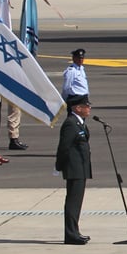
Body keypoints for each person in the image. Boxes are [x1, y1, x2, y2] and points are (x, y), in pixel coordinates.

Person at [56, 93, 92, 245]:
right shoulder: (71, 123)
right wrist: (59, 166)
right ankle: (71, 234)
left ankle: (74, 231)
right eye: (86, 106)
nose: (89, 108)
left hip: (80, 168)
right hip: (74, 168)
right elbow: (64, 147)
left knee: (76, 202)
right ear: (77, 108)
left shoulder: (79, 122)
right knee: (72, 202)